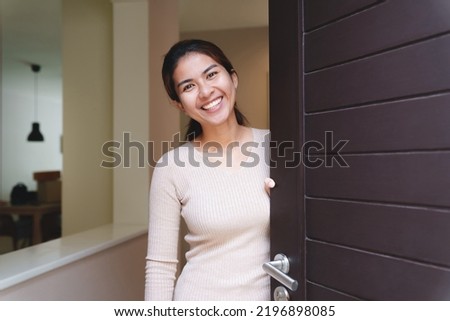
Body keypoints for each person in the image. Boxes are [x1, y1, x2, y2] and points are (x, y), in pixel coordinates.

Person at [145, 39, 274, 301]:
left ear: (233, 78)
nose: (205, 91)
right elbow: (160, 268)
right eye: (189, 86)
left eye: (212, 74)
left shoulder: (278, 148)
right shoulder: (171, 167)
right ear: (179, 104)